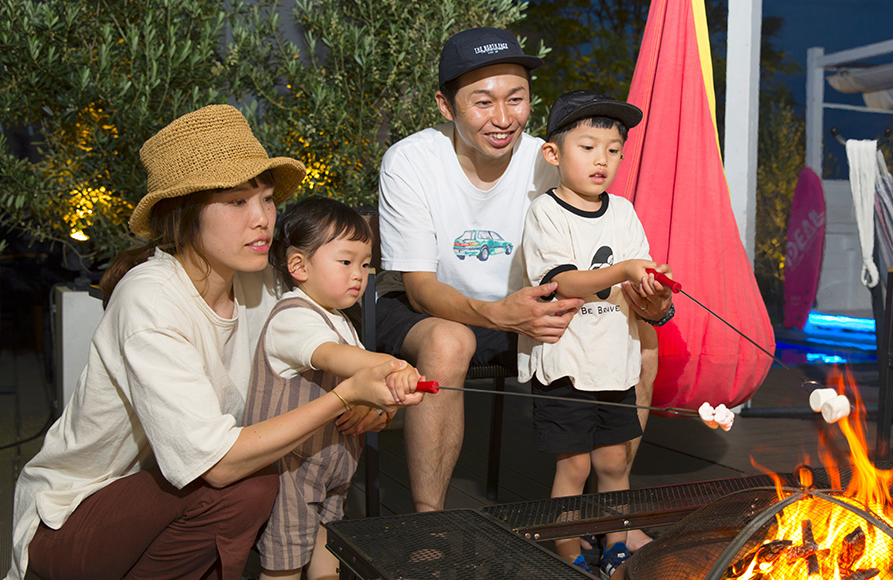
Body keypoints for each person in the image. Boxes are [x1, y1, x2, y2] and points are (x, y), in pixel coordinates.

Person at [3, 104, 419, 580]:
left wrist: (374, 403)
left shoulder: (260, 287)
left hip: (167, 499)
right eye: (237, 202)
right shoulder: (151, 299)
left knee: (253, 481)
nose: (262, 218)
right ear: (185, 216)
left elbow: (324, 354)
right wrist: (344, 396)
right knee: (246, 485)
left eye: (266, 199)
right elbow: (216, 466)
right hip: (71, 521)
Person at [377, 27, 666, 553]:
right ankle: (429, 523)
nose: (503, 117)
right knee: (450, 342)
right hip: (432, 309)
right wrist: (497, 314)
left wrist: (649, 300)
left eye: (516, 99)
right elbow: (419, 288)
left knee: (641, 337)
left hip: (532, 311)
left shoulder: (551, 156)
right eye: (482, 102)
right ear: (446, 104)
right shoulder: (411, 162)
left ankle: (611, 510)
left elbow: (598, 241)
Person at [516, 90, 674, 578]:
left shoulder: (623, 211)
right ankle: (567, 550)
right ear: (553, 154)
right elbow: (563, 281)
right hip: (566, 363)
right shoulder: (546, 213)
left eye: (613, 149)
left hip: (613, 362)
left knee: (614, 462)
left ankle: (616, 543)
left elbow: (637, 281)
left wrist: (651, 283)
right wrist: (624, 268)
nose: (602, 159)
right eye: (587, 147)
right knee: (575, 468)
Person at [246, 197, 424, 580]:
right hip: (289, 473)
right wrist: (397, 367)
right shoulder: (293, 316)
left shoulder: (342, 321)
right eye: (345, 262)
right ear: (299, 266)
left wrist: (379, 409)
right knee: (285, 565)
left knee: (329, 550)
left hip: (333, 469)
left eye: (365, 264)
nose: (359, 275)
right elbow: (334, 358)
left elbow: (366, 392)